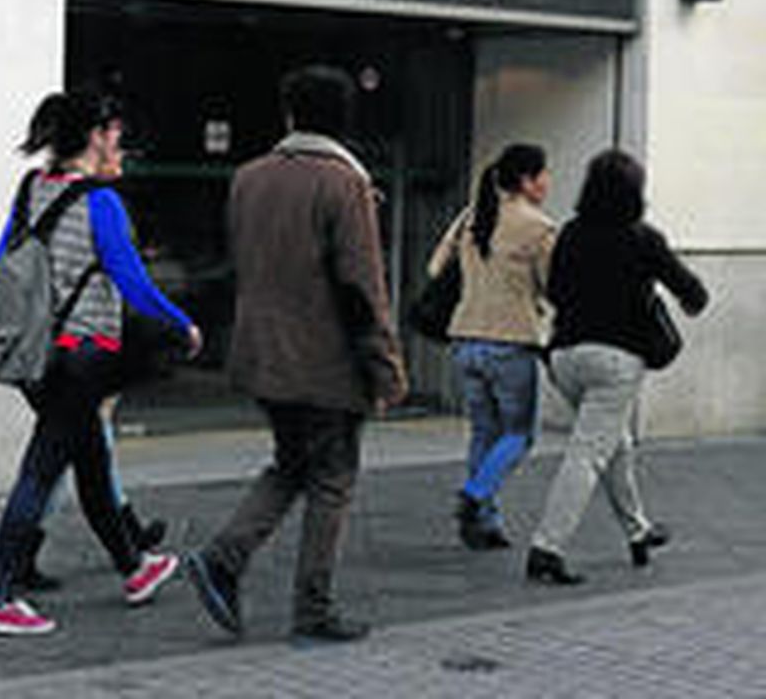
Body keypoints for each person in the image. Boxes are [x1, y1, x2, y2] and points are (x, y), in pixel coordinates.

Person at [185, 65, 406, 644]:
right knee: (332, 478)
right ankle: (310, 606)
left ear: (289, 115)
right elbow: (361, 285)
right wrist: (385, 366)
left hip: (261, 353)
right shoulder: (344, 184)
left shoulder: (249, 177)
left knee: (290, 464)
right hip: (325, 360)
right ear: (344, 122)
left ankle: (224, 559)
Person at [0, 90, 202, 637]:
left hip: (37, 356)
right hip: (83, 356)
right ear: (95, 136)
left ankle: (135, 569)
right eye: (114, 132)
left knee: (93, 464)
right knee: (40, 472)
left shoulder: (30, 188)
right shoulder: (101, 202)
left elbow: (7, 260)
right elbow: (134, 285)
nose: (118, 140)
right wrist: (183, 325)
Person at [524, 149, 708, 585]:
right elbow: (694, 293)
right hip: (616, 362)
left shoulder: (569, 233)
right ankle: (547, 548)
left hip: (565, 358)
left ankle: (638, 532)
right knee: (588, 454)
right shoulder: (643, 238)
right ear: (635, 193)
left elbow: (554, 292)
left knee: (615, 443)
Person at [428, 144, 555, 550]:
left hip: (465, 338)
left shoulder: (472, 216)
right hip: (511, 341)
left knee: (484, 432)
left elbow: (434, 267)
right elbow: (553, 287)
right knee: (520, 433)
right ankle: (475, 495)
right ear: (526, 180)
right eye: (542, 175)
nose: (547, 182)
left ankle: (485, 523)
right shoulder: (538, 227)